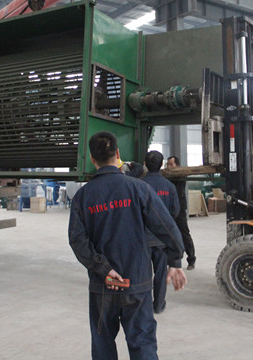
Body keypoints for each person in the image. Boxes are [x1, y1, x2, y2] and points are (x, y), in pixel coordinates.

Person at [69, 132, 187, 360]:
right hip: (137, 283)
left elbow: (77, 240)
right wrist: (175, 260)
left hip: (104, 285)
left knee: (103, 344)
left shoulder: (83, 197)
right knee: (142, 343)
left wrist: (104, 270)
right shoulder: (138, 189)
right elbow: (167, 225)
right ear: (118, 155)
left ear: (92, 159)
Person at [141, 150, 180, 314]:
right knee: (160, 273)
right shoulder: (169, 187)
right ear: (162, 165)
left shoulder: (138, 184)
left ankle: (142, 306)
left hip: (142, 238)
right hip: (162, 240)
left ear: (145, 165)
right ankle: (158, 305)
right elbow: (175, 211)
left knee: (142, 274)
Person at [166, 155, 196, 270]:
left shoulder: (181, 173)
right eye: (168, 164)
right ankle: (173, 261)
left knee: (184, 233)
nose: (169, 166)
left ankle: (191, 259)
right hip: (169, 209)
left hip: (180, 209)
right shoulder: (167, 175)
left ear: (177, 165)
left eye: (171, 164)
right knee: (170, 234)